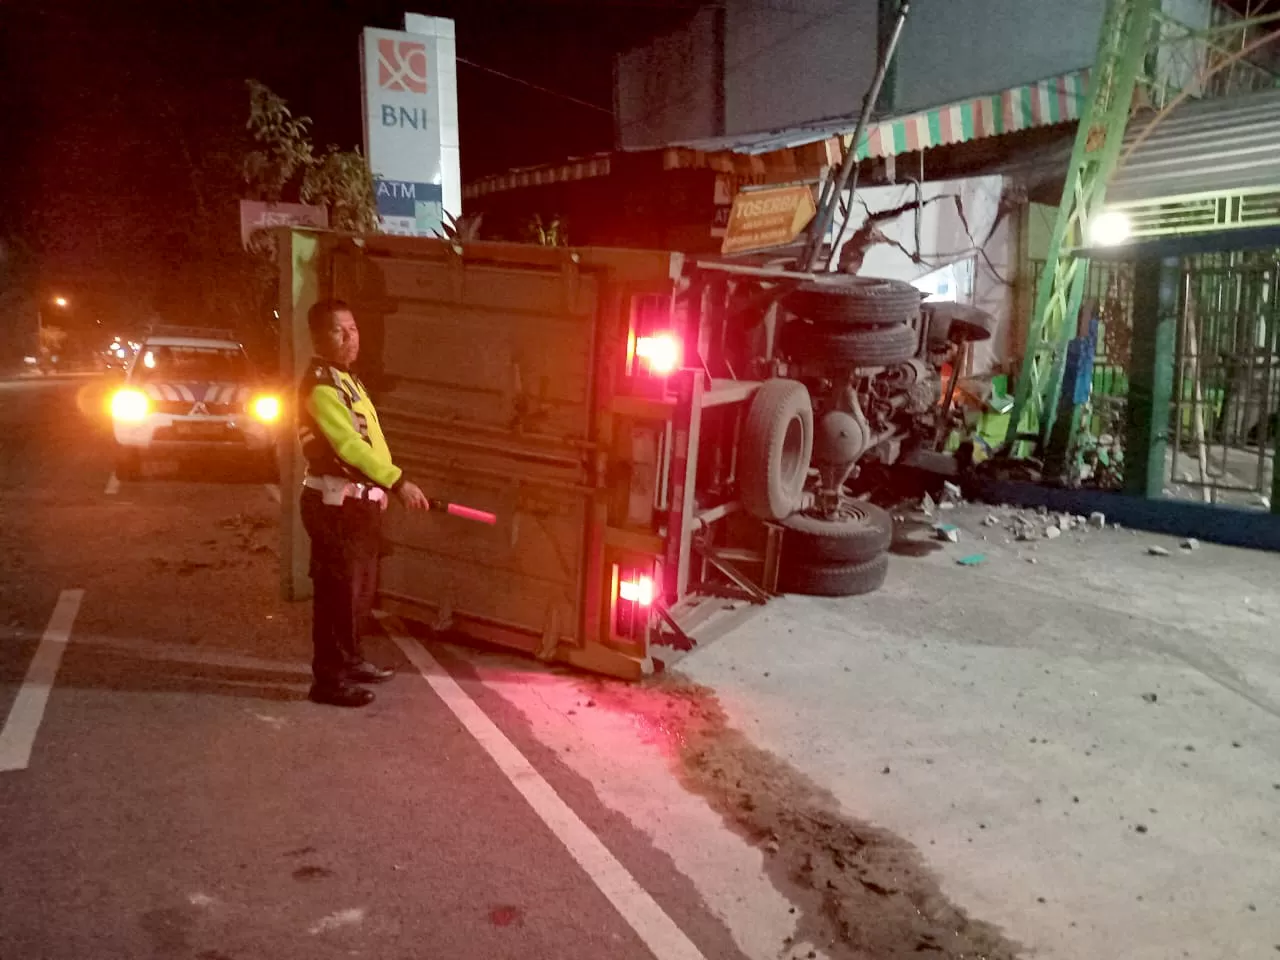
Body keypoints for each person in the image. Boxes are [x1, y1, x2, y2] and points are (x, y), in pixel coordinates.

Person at [298, 299, 429, 707]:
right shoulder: (320, 385)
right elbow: (349, 447)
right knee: (337, 594)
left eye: (354, 329)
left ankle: (351, 660)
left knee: (358, 593)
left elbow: (372, 438)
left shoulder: (346, 380)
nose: (351, 338)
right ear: (319, 337)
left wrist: (376, 490)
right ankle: (329, 681)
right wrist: (397, 482)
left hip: (357, 504)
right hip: (334, 507)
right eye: (340, 331)